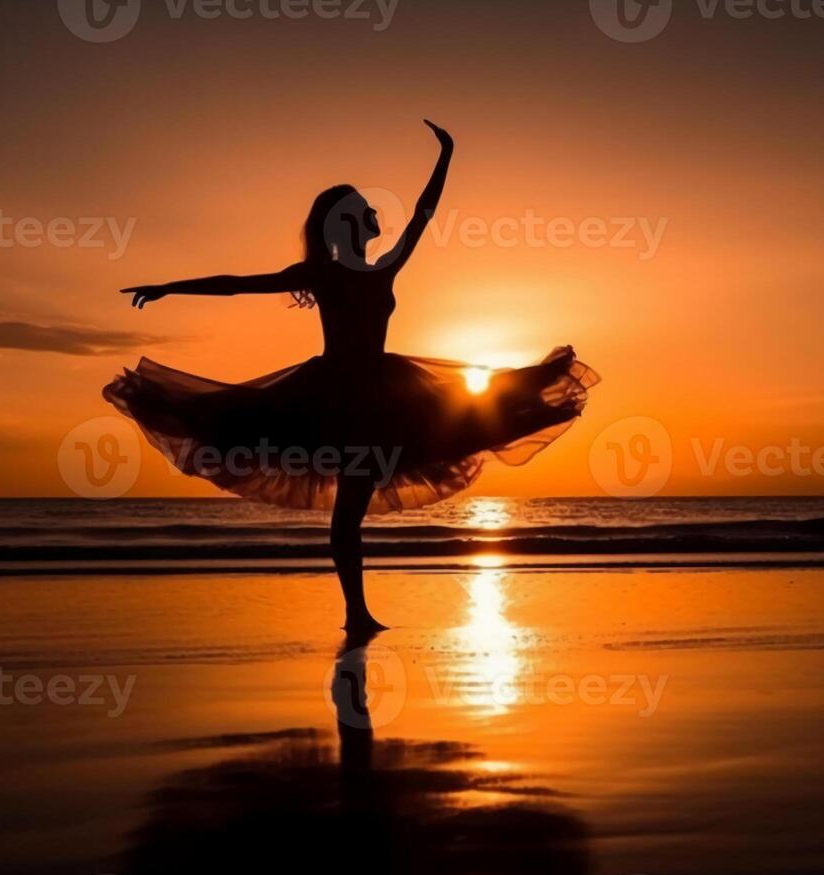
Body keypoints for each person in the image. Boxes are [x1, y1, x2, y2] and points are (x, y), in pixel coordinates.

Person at [107, 120, 597, 633]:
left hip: (382, 395)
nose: (374, 213)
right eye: (364, 209)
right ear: (346, 224)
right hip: (336, 399)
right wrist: (168, 287)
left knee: (375, 490)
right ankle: (356, 614)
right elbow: (237, 285)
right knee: (347, 510)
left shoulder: (381, 268)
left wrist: (447, 155)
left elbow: (424, 216)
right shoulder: (322, 274)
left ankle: (356, 614)